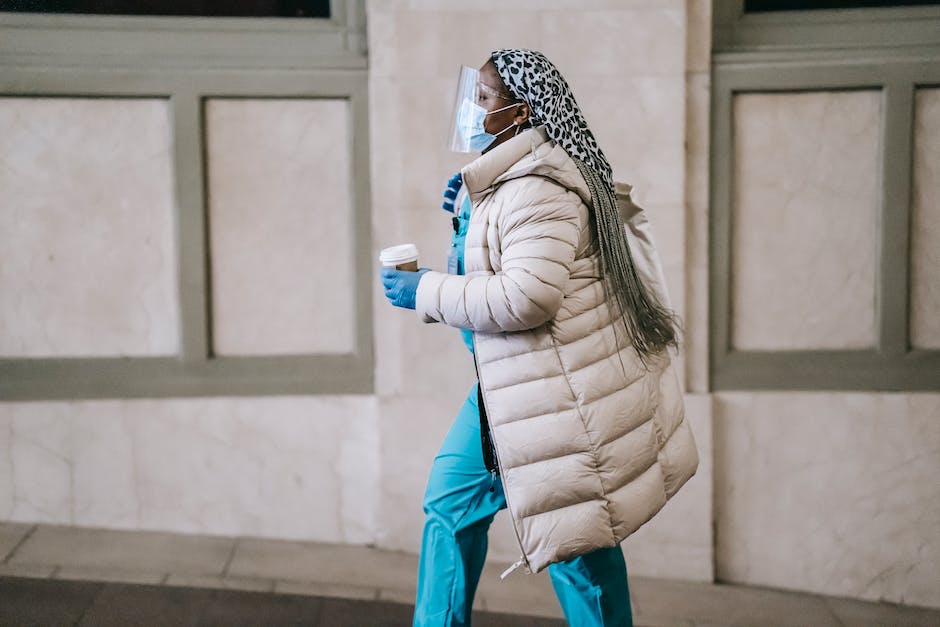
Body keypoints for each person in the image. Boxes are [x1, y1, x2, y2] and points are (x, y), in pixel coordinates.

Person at [380, 49, 699, 627]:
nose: (471, 110)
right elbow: (496, 280)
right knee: (451, 509)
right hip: (509, 391)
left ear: (520, 112)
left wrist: (423, 290)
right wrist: (465, 225)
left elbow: (527, 298)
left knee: (578, 549)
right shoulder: (509, 182)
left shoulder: (538, 189)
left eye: (483, 99)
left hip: (557, 398)